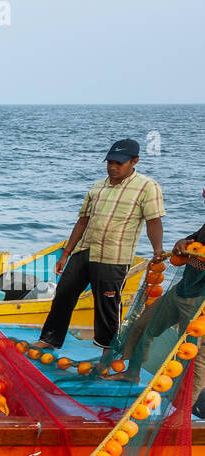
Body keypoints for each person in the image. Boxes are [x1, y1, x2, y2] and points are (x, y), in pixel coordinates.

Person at [34, 139, 164, 351]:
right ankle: (49, 339)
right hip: (84, 251)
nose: (112, 167)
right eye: (109, 162)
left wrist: (157, 250)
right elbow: (83, 220)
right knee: (64, 295)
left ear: (134, 161)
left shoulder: (147, 187)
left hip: (114, 257)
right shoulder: (98, 187)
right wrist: (66, 253)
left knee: (107, 306)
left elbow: (154, 221)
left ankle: (107, 351)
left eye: (119, 163)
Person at [108, 207, 205, 407]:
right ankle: (132, 373)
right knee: (143, 325)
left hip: (200, 304)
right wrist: (182, 243)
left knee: (194, 357)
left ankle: (184, 409)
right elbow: (192, 240)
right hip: (182, 290)